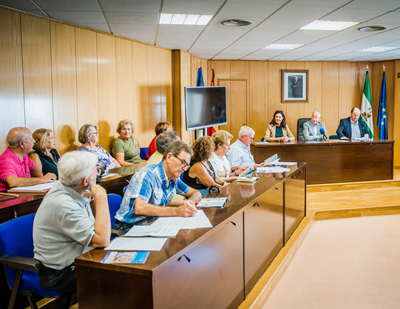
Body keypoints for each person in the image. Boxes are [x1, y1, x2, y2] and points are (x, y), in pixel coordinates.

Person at [33, 151, 110, 294]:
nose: (98, 173)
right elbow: (102, 240)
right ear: (86, 181)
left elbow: (95, 226)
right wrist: (101, 196)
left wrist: (93, 200)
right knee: (122, 277)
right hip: (60, 274)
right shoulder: (63, 204)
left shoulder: (70, 186)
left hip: (82, 257)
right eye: (96, 170)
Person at [114, 140, 202, 231]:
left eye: (187, 165)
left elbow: (196, 193)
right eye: (183, 162)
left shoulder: (173, 179)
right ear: (169, 157)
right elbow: (140, 208)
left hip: (154, 224)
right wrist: (177, 211)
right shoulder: (147, 175)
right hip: (130, 228)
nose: (184, 168)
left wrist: (189, 203)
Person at [0, 127, 56, 191]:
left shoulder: (25, 156)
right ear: (22, 144)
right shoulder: (5, 160)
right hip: (10, 198)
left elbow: (38, 174)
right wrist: (42, 179)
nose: (34, 141)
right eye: (31, 139)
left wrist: (43, 178)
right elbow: (12, 182)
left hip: (25, 196)